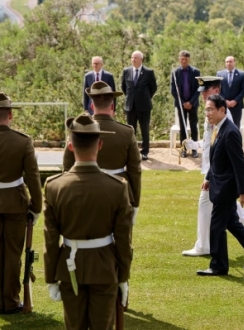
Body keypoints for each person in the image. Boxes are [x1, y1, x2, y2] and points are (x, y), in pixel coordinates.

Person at [44, 114, 133, 329]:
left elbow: (50, 240)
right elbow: (123, 240)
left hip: (68, 268)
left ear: (70, 146)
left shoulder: (54, 186)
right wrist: (123, 276)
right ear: (100, 145)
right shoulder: (117, 186)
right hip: (104, 268)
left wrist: (50, 278)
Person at [182, 76, 244, 257]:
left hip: (218, 173)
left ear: (215, 91)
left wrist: (240, 189)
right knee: (229, 213)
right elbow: (209, 142)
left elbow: (232, 154)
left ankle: (204, 247)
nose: (203, 95)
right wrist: (194, 145)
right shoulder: (211, 112)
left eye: (205, 92)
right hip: (212, 171)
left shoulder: (222, 115)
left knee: (211, 208)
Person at [197, 94, 244, 276]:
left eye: (211, 109)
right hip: (218, 184)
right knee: (232, 223)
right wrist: (208, 177)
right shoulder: (217, 129)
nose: (207, 113)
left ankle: (219, 265)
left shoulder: (230, 132)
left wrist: (243, 191)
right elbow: (215, 160)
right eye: (206, 109)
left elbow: (239, 164)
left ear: (222, 110)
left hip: (226, 189)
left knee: (216, 226)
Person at [63, 81, 142, 221]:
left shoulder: (78, 129)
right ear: (112, 106)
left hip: (84, 190)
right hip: (119, 192)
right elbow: (135, 170)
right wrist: (135, 202)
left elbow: (68, 166)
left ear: (92, 106)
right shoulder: (126, 132)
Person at [0, 92, 42, 314]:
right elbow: (33, 178)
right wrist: (36, 207)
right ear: (10, 115)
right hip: (15, 203)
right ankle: (9, 301)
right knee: (13, 254)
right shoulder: (23, 141)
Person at [122, 50, 158, 161]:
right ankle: (131, 151)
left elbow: (153, 88)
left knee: (144, 129)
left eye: (136, 58)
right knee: (130, 130)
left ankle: (145, 151)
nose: (133, 60)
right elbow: (124, 87)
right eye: (132, 57)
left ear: (141, 59)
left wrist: (145, 98)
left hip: (144, 106)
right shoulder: (126, 71)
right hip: (130, 106)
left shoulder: (148, 72)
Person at [170, 50, 201, 158]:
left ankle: (194, 149)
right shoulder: (175, 72)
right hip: (181, 104)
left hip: (193, 104)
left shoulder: (196, 72)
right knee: (182, 128)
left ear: (189, 60)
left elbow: (199, 88)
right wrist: (183, 103)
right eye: (182, 59)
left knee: (193, 127)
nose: (184, 61)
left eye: (186, 59)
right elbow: (173, 90)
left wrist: (191, 102)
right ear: (179, 59)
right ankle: (183, 149)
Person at [216, 56, 244, 128]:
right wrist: (225, 101)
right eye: (227, 62)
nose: (228, 63)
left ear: (234, 62)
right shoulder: (219, 74)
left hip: (236, 106)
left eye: (230, 62)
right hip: (223, 105)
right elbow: (217, 89)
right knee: (222, 125)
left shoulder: (241, 74)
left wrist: (235, 101)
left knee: (236, 126)